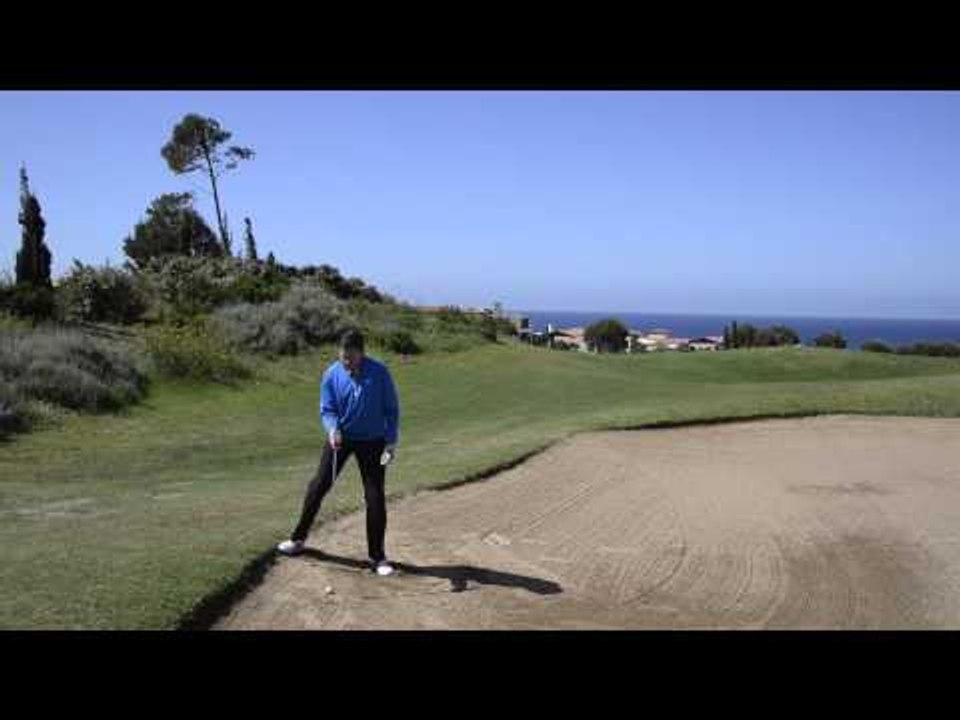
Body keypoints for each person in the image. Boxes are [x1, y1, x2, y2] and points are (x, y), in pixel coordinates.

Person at [277, 329, 400, 576]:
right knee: (318, 485)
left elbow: (391, 410)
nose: (346, 363)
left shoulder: (379, 373)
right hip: (341, 439)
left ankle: (378, 557)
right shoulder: (332, 374)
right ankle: (298, 539)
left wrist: (390, 442)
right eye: (343, 357)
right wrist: (332, 429)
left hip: (374, 441)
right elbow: (327, 409)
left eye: (351, 358)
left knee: (375, 497)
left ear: (362, 354)